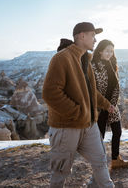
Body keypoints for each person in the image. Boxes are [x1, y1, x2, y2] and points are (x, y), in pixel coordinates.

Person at [42, 22, 115, 188]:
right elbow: (50, 93)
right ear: (82, 36)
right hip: (66, 127)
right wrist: (78, 112)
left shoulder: (84, 60)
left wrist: (105, 103)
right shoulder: (62, 58)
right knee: (60, 173)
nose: (95, 40)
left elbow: (90, 91)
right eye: (92, 35)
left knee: (100, 161)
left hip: (89, 125)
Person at [92, 40, 128, 169]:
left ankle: (115, 159)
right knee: (100, 135)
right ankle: (98, 163)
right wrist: (105, 104)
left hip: (112, 106)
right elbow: (94, 89)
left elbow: (116, 86)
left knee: (117, 131)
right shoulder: (93, 66)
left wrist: (113, 104)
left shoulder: (112, 64)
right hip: (100, 106)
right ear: (100, 51)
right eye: (107, 50)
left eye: (111, 51)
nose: (109, 53)